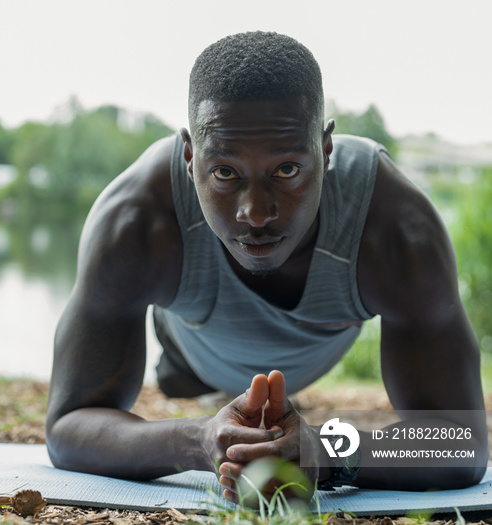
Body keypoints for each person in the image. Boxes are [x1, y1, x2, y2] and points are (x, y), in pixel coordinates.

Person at [45, 31, 488, 500]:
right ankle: (195, 379)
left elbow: (462, 442)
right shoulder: (136, 221)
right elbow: (68, 426)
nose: (255, 212)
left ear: (326, 149)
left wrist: (327, 450)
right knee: (189, 381)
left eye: (287, 170)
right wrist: (199, 441)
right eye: (225, 172)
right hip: (196, 346)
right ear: (191, 158)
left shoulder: (397, 231)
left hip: (317, 346)